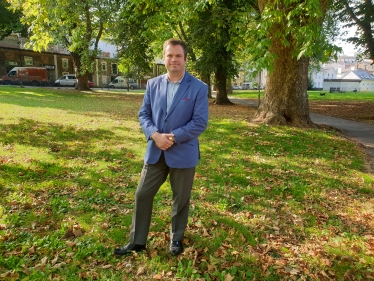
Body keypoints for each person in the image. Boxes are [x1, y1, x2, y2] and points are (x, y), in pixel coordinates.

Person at [114, 38, 209, 256]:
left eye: (178, 55)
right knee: (142, 194)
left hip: (183, 153)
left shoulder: (198, 88)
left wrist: (173, 138)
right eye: (169, 55)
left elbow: (199, 122)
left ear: (185, 59)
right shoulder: (153, 84)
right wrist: (155, 135)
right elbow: (144, 114)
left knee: (181, 199)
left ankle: (176, 239)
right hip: (156, 151)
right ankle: (137, 241)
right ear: (164, 58)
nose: (174, 59)